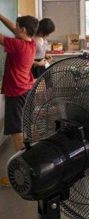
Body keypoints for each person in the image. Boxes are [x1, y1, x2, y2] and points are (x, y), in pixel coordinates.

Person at [0, 14, 39, 187]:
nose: (14, 29)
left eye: (17, 27)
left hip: (16, 93)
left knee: (17, 133)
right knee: (20, 129)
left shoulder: (17, 45)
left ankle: (21, 173)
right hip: (24, 90)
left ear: (22, 29)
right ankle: (26, 168)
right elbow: (14, 29)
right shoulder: (30, 43)